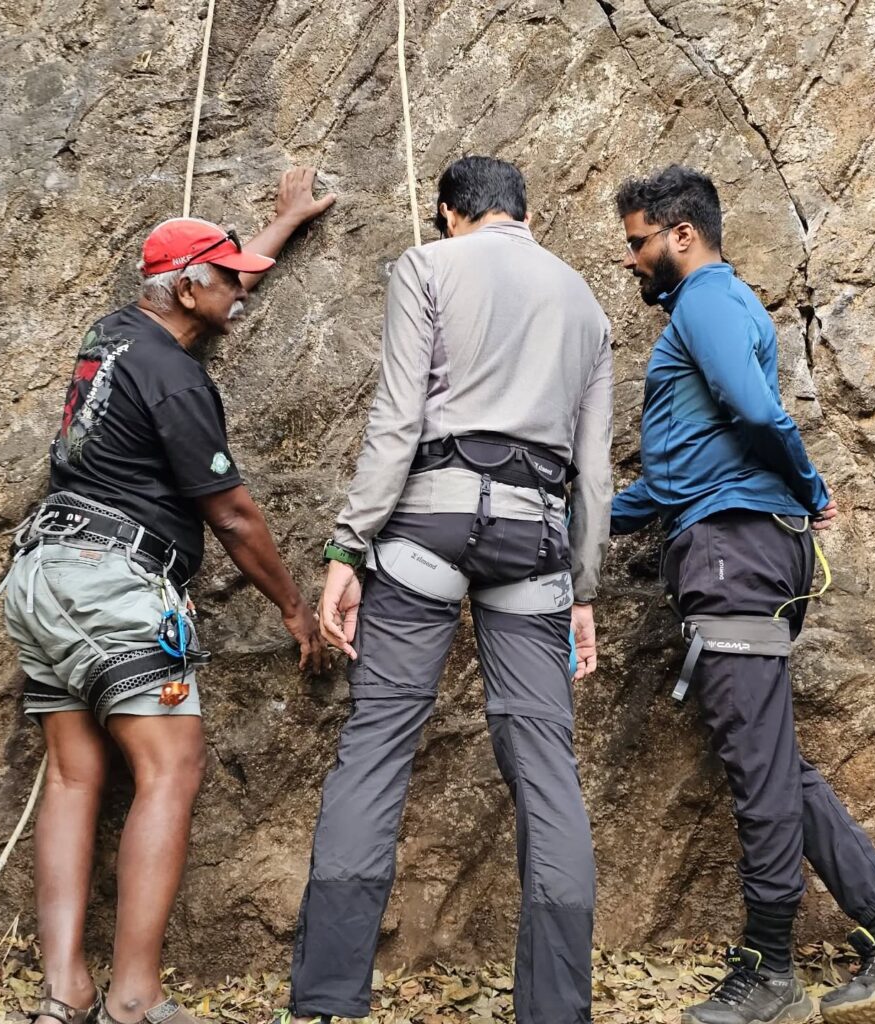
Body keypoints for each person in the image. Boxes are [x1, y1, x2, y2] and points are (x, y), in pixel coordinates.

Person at [273, 155, 615, 1024]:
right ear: (521, 213)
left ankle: (327, 1002)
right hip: (537, 540)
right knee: (546, 766)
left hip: (427, 521)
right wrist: (584, 590)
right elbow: (596, 476)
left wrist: (346, 548)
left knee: (379, 744)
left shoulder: (429, 264)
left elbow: (398, 420)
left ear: (451, 212)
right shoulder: (587, 306)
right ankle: (555, 1011)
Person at [0, 169, 335, 1024]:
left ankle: (65, 993)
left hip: (41, 578)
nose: (240, 293)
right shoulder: (176, 379)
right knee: (171, 768)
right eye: (224, 281)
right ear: (187, 287)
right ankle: (135, 1000)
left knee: (75, 776)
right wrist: (294, 608)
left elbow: (218, 275)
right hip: (116, 585)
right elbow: (234, 514)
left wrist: (283, 220)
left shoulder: (113, 334)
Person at [611, 164, 875, 1024]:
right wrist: (584, 516)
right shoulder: (715, 309)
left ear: (681, 234)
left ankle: (771, 970)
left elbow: (755, 413)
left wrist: (812, 484)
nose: (631, 260)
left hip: (734, 554)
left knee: (755, 765)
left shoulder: (706, 298)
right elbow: (684, 474)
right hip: (736, 546)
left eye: (638, 242)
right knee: (774, 758)